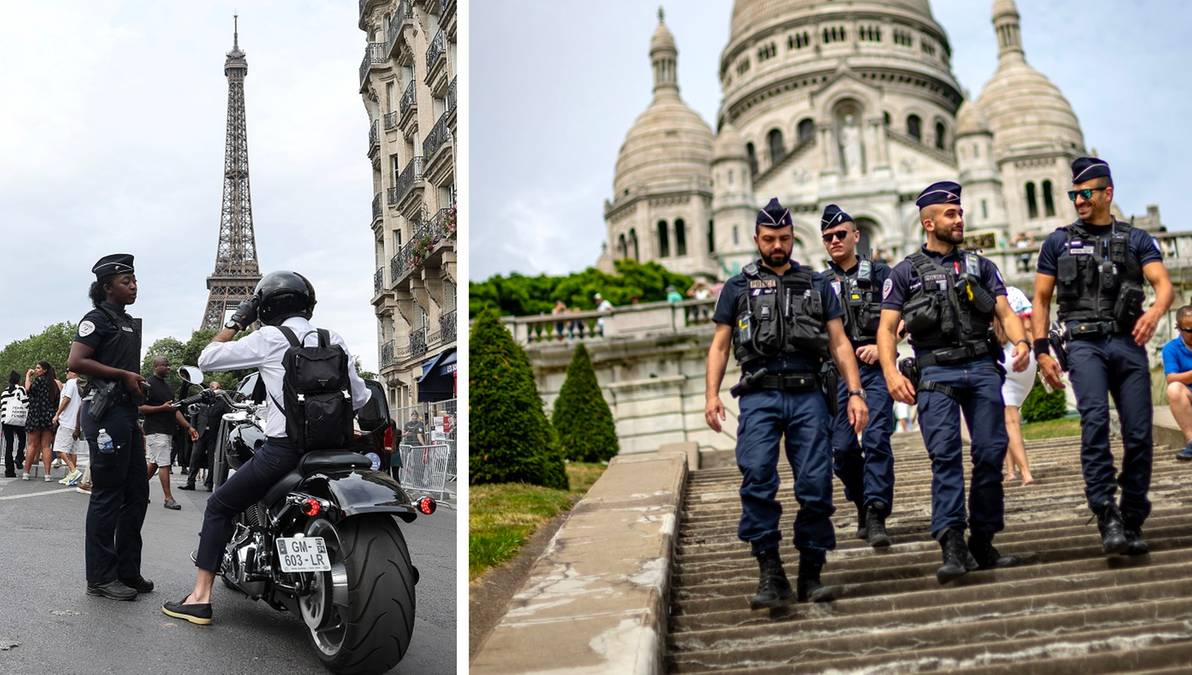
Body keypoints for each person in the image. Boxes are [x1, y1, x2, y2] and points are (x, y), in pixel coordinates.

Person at [161, 270, 370, 625]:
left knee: (219, 506)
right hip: (334, 449)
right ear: (309, 304)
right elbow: (360, 396)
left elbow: (208, 359)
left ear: (264, 305)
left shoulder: (270, 337)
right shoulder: (332, 337)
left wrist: (238, 318)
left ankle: (199, 598)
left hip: (285, 449)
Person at [705, 197, 868, 610]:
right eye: (768, 239)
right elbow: (720, 345)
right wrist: (711, 396)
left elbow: (839, 343)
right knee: (757, 477)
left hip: (808, 392)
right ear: (757, 239)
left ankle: (811, 574)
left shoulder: (816, 284)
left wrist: (855, 392)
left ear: (794, 237)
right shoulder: (738, 287)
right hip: (759, 394)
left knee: (815, 485)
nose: (776, 246)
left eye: (783, 238)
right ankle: (770, 572)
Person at [878, 181, 1030, 584]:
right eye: (951, 214)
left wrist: (1021, 341)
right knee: (945, 457)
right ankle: (951, 542)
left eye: (960, 212)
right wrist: (891, 372)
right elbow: (887, 328)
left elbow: (1005, 309)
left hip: (981, 368)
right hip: (935, 373)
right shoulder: (905, 272)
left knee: (991, 451)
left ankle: (983, 539)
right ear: (928, 222)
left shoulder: (981, 267)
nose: (959, 219)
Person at [1032, 157, 1172, 557]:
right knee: (1094, 422)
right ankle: (1105, 512)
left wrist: (1155, 312)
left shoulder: (1136, 240)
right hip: (1083, 344)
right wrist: (1042, 350)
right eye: (1074, 194)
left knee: (1139, 434)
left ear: (1107, 193)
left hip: (1128, 343)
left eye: (1085, 193)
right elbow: (1041, 300)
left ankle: (1132, 514)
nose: (1078, 200)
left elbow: (1163, 285)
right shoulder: (1057, 242)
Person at [66, 254, 153, 601]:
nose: (133, 285)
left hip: (126, 415)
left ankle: (127, 571)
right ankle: (100, 577)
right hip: (106, 414)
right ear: (107, 287)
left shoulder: (127, 322)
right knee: (107, 496)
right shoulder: (96, 319)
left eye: (134, 280)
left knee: (137, 495)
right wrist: (123, 375)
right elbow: (76, 361)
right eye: (125, 281)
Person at [819, 203, 897, 548]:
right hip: (836, 377)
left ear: (856, 235)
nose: (834, 240)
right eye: (827, 237)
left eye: (840, 234)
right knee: (843, 449)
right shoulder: (818, 284)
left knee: (878, 439)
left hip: (874, 371)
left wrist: (883, 347)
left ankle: (877, 511)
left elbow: (904, 317)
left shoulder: (882, 275)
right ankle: (862, 501)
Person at [140, 356, 198, 510]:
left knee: (153, 463)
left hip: (166, 430)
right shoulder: (147, 384)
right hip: (155, 430)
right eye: (166, 365)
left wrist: (188, 427)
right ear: (156, 366)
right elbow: (140, 408)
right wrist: (162, 408)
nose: (169, 368)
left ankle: (136, 493)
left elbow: (174, 410)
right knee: (165, 463)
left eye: (169, 365)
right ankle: (168, 498)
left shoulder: (168, 386)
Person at [999, 287, 1038, 485]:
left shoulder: (980, 295)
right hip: (1025, 357)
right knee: (1003, 417)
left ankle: (1025, 472)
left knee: (1009, 421)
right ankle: (1010, 471)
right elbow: (1030, 326)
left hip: (1003, 358)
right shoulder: (1014, 292)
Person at [180, 381, 229, 491]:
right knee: (195, 457)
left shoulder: (222, 402)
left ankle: (210, 483)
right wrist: (192, 429)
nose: (215, 390)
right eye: (213, 388)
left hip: (214, 435)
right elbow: (194, 415)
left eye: (217, 388)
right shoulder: (201, 400)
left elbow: (228, 414)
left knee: (212, 459)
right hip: (200, 433)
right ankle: (190, 482)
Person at [21, 361, 61, 482]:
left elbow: (27, 389)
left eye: (38, 368)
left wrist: (28, 376)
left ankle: (26, 472)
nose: (36, 369)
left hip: (35, 414)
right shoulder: (53, 383)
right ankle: (47, 474)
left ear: (44, 370)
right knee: (46, 446)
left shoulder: (38, 380)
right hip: (48, 415)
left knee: (32, 445)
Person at [1163, 306, 1192, 461]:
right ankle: (1191, 441)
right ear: (1179, 328)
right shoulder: (1171, 349)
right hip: (1189, 398)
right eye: (1190, 330)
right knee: (1174, 389)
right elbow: (1171, 378)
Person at [52, 369, 86, 486]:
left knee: (59, 448)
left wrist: (57, 414)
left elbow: (67, 399)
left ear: (74, 372)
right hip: (76, 423)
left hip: (67, 421)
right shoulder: (79, 384)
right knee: (72, 450)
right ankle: (73, 475)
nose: (66, 373)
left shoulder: (71, 383)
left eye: (68, 371)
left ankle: (73, 471)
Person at [1, 371, 29, 477]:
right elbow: (26, 404)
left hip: (6, 421)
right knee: (22, 439)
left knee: (9, 444)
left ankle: (9, 471)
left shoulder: (4, 392)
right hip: (17, 420)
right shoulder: (20, 389)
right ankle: (19, 458)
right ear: (18, 380)